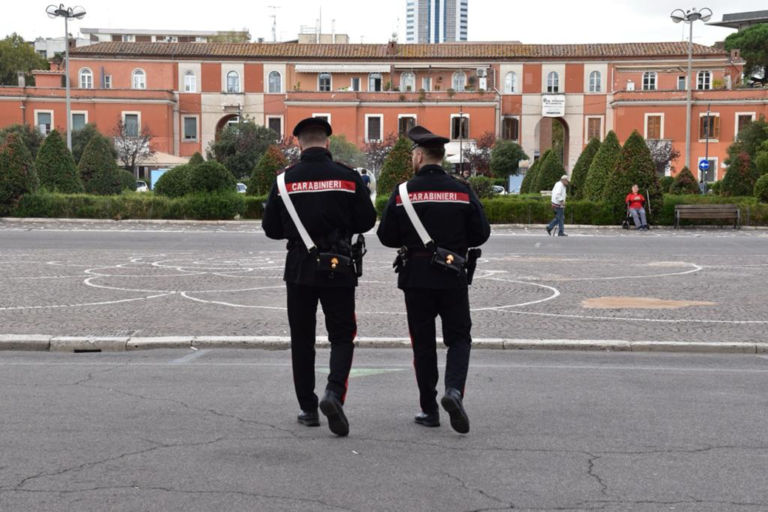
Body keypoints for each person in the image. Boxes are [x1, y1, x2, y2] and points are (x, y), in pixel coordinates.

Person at [262, 117, 377, 437]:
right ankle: (334, 394)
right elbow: (367, 221)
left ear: (299, 142)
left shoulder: (284, 180)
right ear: (327, 141)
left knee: (302, 339)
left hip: (299, 267)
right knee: (342, 335)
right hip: (339, 265)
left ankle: (308, 409)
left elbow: (271, 229)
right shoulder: (347, 176)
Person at [377, 126, 491, 434]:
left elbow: (386, 236)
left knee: (423, 345)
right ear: (442, 157)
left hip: (416, 277)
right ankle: (453, 391)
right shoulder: (462, 190)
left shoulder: (402, 192)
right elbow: (481, 233)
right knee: (460, 338)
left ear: (418, 156)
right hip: (452, 275)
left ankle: (429, 409)